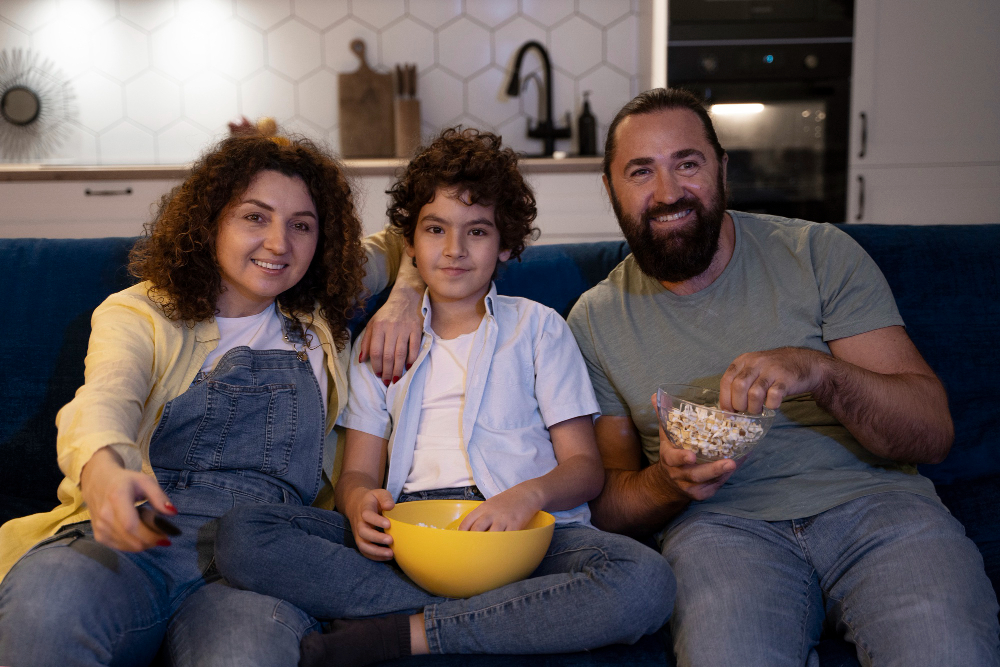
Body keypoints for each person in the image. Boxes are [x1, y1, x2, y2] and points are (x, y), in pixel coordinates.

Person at [566, 87, 1000, 666]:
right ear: (611, 191)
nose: (668, 193)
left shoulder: (818, 254)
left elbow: (932, 432)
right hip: (719, 532)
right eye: (641, 171)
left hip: (879, 509)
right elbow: (606, 506)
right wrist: (669, 484)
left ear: (722, 170)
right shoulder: (594, 320)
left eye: (687, 164)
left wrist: (819, 371)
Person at [214, 127, 675, 667]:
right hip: (413, 536)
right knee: (244, 534)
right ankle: (501, 617)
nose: (454, 249)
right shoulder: (381, 343)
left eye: (477, 231)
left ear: (506, 243)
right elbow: (359, 473)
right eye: (436, 229)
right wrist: (361, 504)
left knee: (647, 581)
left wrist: (525, 498)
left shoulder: (539, 329)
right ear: (410, 245)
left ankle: (407, 631)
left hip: (527, 536)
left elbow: (584, 469)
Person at [0, 130, 424, 665]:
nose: (279, 243)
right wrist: (104, 470)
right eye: (255, 216)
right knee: (48, 604)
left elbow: (410, 234)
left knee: (244, 653)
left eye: (301, 226)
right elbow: (104, 399)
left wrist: (405, 296)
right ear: (212, 219)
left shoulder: (319, 305)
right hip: (141, 535)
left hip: (262, 558)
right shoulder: (140, 313)